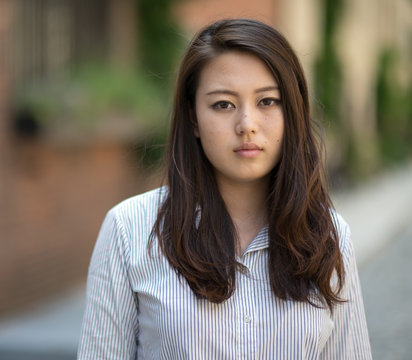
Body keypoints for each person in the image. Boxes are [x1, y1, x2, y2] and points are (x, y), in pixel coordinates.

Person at [77, 18, 372, 359]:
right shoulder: (130, 231)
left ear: (291, 111)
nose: (247, 125)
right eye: (223, 105)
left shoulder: (329, 236)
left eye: (267, 102)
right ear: (193, 119)